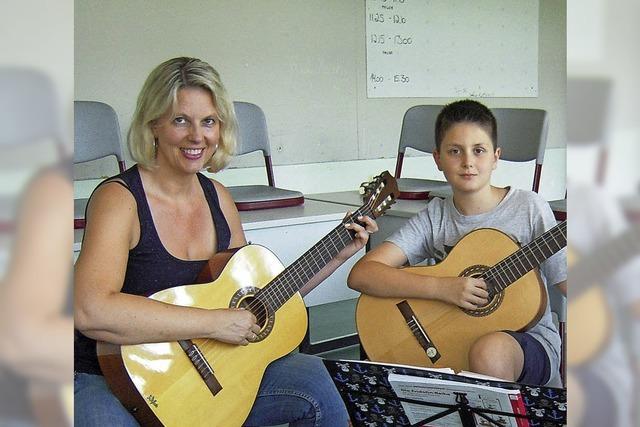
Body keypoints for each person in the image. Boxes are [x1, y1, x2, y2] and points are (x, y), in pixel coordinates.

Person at [74, 57, 377, 426]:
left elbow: (257, 299)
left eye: (209, 122)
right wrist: (212, 323)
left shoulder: (218, 197)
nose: (197, 136)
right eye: (180, 120)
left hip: (204, 371)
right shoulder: (119, 199)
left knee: (315, 382)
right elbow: (91, 311)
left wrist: (337, 255)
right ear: (153, 124)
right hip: (111, 376)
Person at [348, 99, 566, 386]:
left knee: (489, 352)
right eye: (455, 151)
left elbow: (569, 283)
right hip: (450, 339)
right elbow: (362, 274)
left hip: (527, 343)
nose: (468, 162)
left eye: (479, 150)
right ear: (438, 159)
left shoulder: (528, 207)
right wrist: (443, 288)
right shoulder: (435, 216)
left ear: (496, 157)